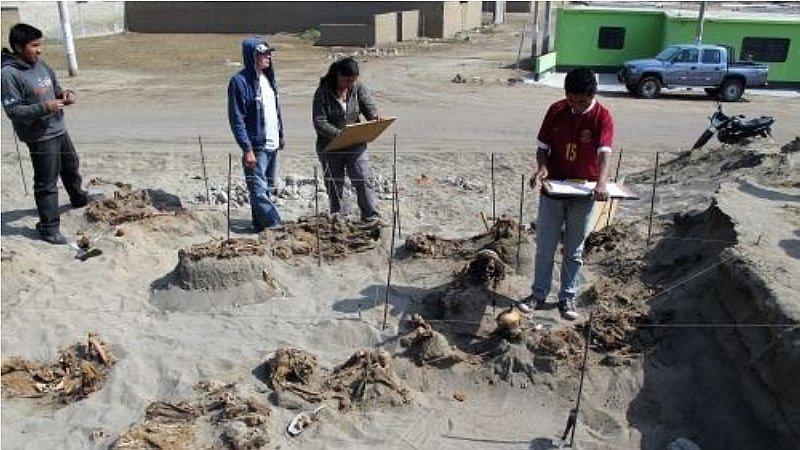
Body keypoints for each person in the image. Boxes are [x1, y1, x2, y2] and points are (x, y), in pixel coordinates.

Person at [518, 68, 613, 320]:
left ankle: (567, 297)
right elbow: (542, 148)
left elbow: (604, 153)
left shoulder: (602, 116)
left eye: (582, 102)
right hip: (553, 190)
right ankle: (538, 294)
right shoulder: (556, 110)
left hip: (584, 192)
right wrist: (542, 168)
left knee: (574, 249)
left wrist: (601, 184)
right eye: (571, 100)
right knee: (545, 247)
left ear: (592, 96)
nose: (576, 106)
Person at [1, 24, 100, 245]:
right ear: (18, 47)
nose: (39, 50)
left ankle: (78, 198)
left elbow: (55, 88)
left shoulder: (41, 65)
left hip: (58, 127)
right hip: (39, 136)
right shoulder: (8, 74)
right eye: (34, 45)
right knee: (46, 182)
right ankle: (48, 228)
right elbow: (13, 111)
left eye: (40, 45)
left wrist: (65, 94)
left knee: (71, 166)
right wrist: (45, 107)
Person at [312, 57, 384, 222]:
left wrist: (375, 118)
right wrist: (339, 134)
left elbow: (369, 109)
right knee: (334, 186)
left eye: (353, 80)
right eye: (346, 80)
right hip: (330, 146)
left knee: (363, 177)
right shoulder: (322, 93)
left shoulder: (358, 88)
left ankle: (370, 216)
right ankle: (340, 219)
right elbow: (319, 122)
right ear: (337, 75)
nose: (349, 84)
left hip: (355, 142)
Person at [227, 37, 284, 231]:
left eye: (269, 53)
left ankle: (259, 226)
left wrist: (280, 136)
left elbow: (274, 111)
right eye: (263, 54)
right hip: (256, 147)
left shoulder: (268, 79)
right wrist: (247, 149)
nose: (268, 57)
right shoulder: (239, 82)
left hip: (272, 144)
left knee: (266, 188)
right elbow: (237, 119)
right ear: (252, 56)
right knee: (259, 190)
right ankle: (275, 225)